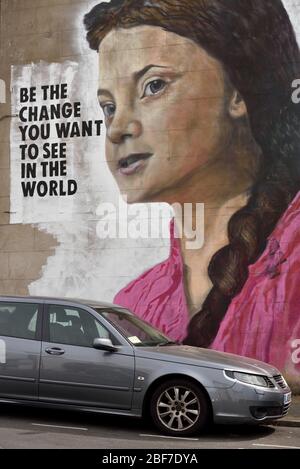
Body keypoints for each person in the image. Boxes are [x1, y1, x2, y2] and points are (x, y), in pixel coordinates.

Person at [84, 0, 300, 385]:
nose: (117, 129)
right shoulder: (136, 301)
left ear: (237, 90)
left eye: (153, 86)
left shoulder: (292, 264)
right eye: (108, 107)